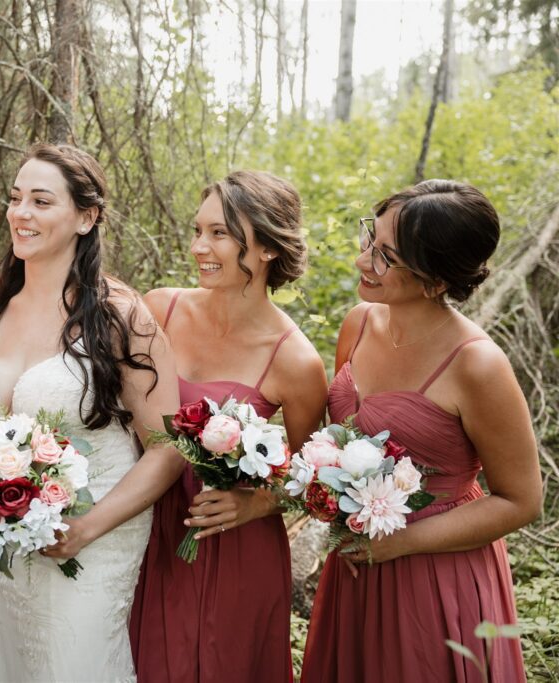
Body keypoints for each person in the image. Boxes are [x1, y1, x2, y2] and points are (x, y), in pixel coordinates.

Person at [302, 179, 541, 682]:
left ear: (436, 280)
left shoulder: (477, 365)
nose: (364, 260)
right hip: (356, 561)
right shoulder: (359, 323)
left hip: (436, 573)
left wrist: (397, 544)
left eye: (387, 255)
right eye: (370, 238)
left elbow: (521, 499)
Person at [0, 143, 184, 682]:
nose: (21, 213)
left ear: (86, 217)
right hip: (6, 542)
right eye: (16, 198)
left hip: (97, 537)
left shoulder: (120, 315)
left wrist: (86, 528)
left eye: (41, 201)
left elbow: (169, 447)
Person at [129, 170, 327, 682]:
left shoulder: (295, 360)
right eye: (198, 230)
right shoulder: (158, 308)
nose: (199, 246)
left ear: (266, 247)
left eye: (219, 233)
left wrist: (254, 502)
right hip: (145, 526)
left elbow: (310, 478)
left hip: (231, 544)